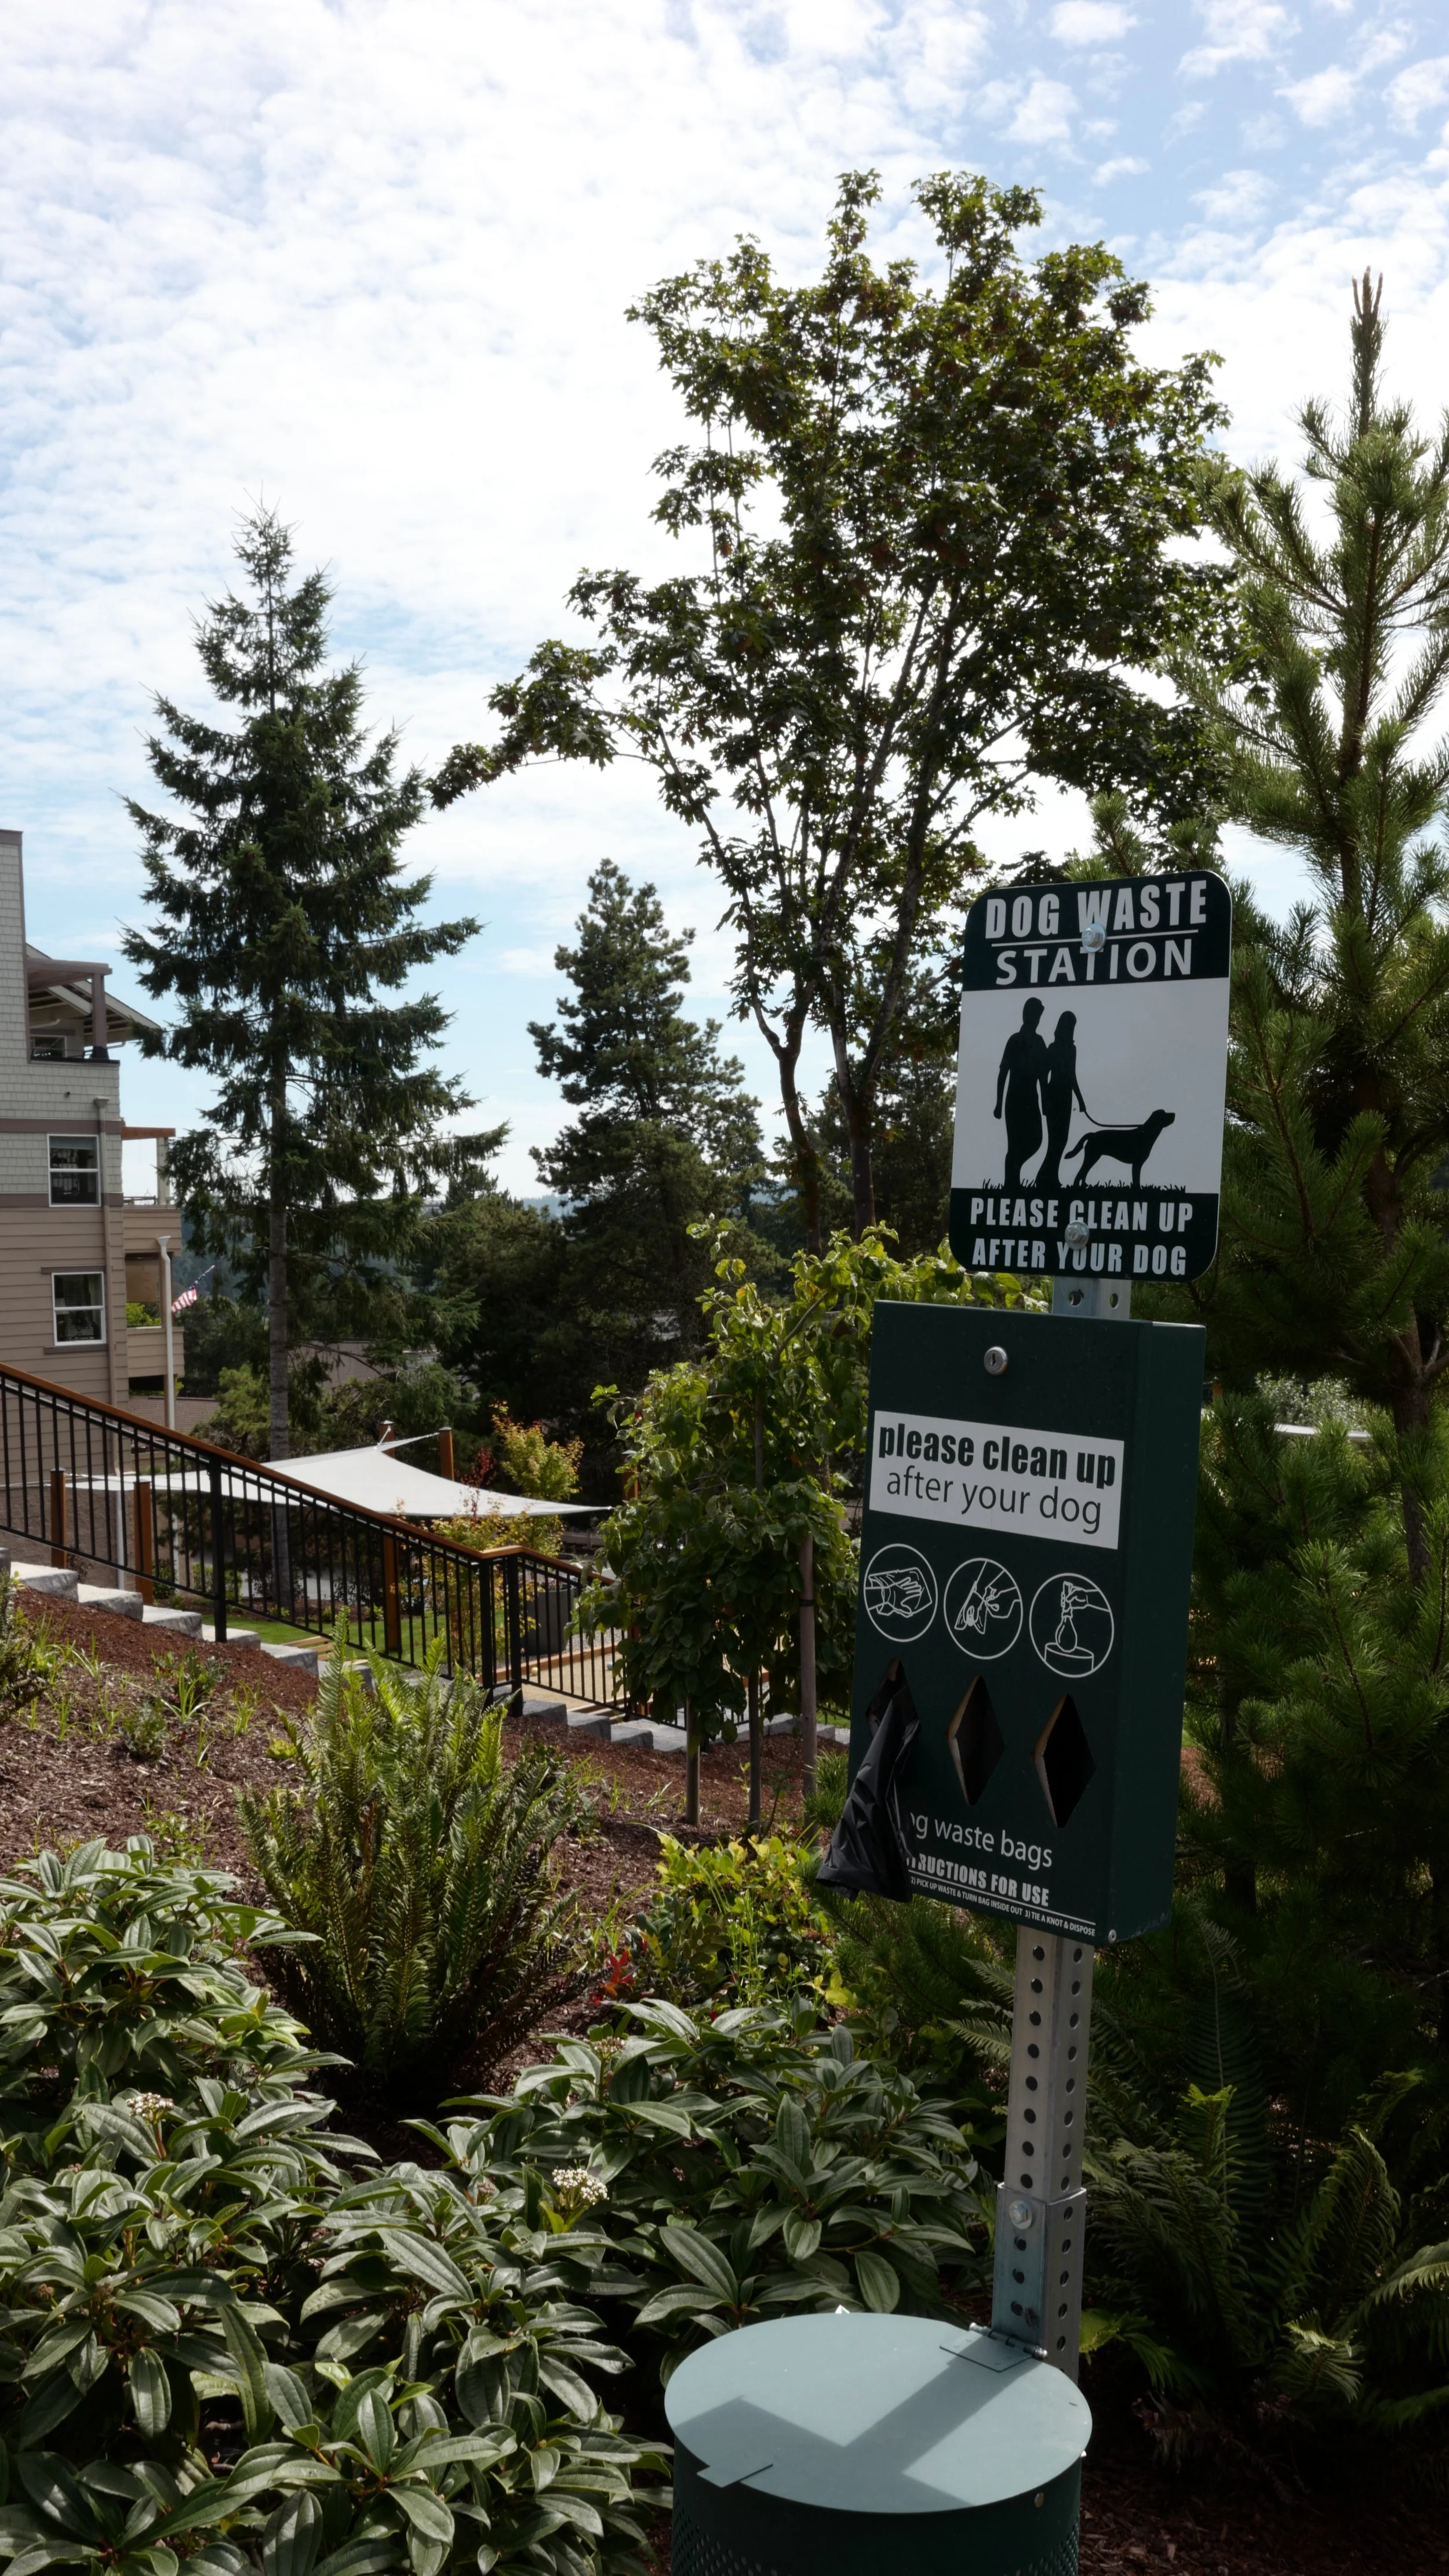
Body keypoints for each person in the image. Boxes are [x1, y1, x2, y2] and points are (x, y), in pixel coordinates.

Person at [993, 999, 1047, 1189]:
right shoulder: (1015, 1040)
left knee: (1036, 1140)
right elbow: (1003, 1073)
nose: (1037, 1020)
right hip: (1014, 1101)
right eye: (1035, 1015)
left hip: (1032, 1101)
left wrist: (1046, 1102)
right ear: (1027, 1015)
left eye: (1039, 1017)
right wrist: (999, 1104)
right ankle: (1011, 1184)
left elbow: (1043, 1075)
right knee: (1014, 1145)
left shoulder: (1040, 1042)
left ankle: (1013, 1175)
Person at [1036, 1010, 1088, 1190]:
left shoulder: (1072, 1049)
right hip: (1054, 1096)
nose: (1071, 1029)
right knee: (1055, 1141)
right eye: (1069, 1025)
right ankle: (1043, 1177)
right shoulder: (1053, 1048)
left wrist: (1081, 1101)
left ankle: (1052, 1176)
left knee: (1063, 1140)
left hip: (1067, 1098)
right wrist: (1045, 1100)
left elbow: (1073, 1076)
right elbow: (1043, 1075)